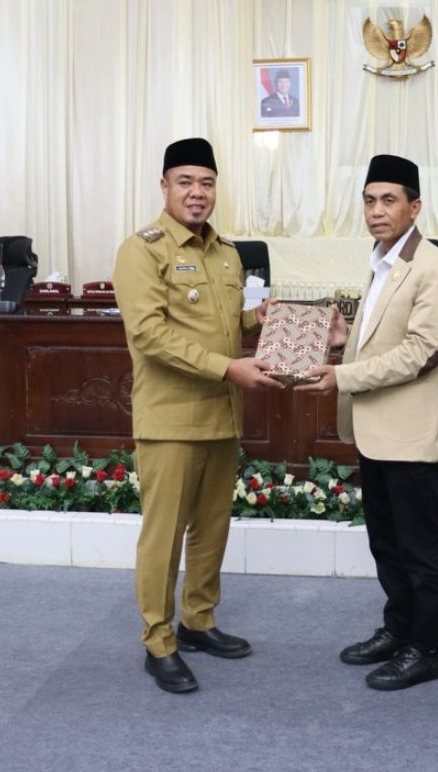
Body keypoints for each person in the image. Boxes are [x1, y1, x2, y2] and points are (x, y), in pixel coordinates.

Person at [112, 137, 284, 694]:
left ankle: (198, 620)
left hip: (221, 416)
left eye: (206, 183)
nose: (197, 192)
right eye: (185, 182)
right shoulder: (142, 251)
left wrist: (262, 319)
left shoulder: (227, 253)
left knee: (211, 530)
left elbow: (227, 322)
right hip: (170, 419)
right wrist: (228, 368)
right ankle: (158, 641)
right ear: (164, 187)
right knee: (163, 537)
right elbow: (149, 334)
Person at [297, 154, 438, 691]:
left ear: (415, 206)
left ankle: (426, 648)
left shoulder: (432, 266)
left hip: (409, 435)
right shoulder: (380, 260)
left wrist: (342, 377)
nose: (376, 210)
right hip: (374, 431)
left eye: (389, 200)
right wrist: (345, 341)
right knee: (386, 544)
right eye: (369, 200)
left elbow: (422, 353)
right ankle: (399, 629)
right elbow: (383, 340)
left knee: (420, 549)